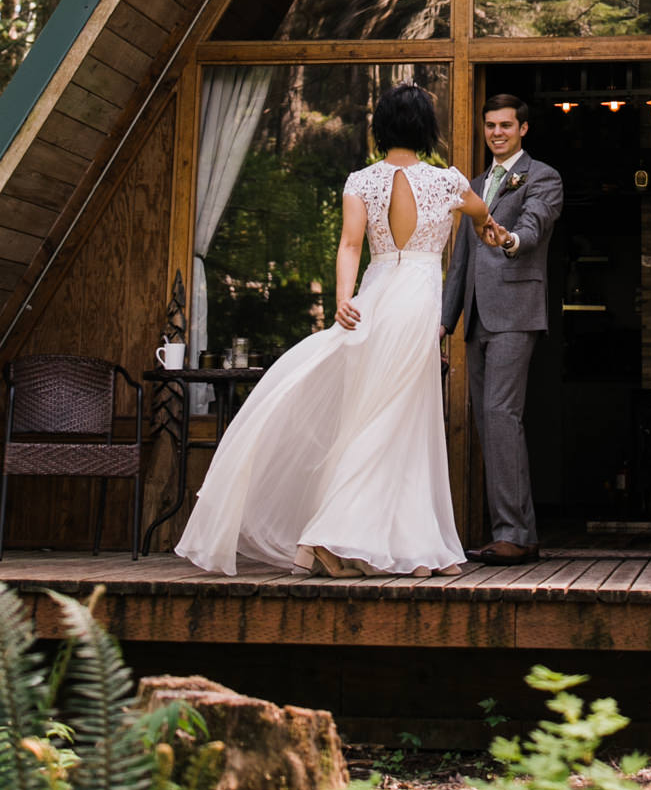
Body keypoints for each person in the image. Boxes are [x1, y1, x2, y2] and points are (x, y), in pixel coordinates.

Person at [176, 82, 512, 579]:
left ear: (382, 129)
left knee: (382, 417)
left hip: (375, 298)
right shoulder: (449, 183)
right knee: (400, 420)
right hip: (417, 301)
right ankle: (330, 537)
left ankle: (404, 547)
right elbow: (484, 216)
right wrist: (493, 231)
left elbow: (350, 246)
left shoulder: (361, 180)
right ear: (426, 130)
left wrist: (342, 300)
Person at [440, 92, 565, 564]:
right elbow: (461, 261)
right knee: (488, 422)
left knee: (500, 415)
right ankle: (517, 533)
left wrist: (508, 238)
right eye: (490, 125)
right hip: (476, 319)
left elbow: (533, 227)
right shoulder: (475, 183)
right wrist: (443, 322)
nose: (496, 133)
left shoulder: (542, 177)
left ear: (523, 129)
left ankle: (513, 534)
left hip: (516, 312)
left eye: (505, 126)